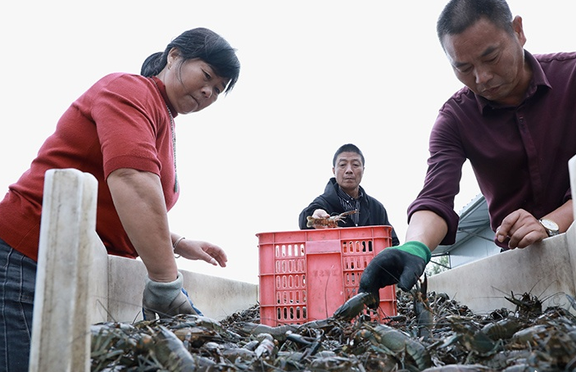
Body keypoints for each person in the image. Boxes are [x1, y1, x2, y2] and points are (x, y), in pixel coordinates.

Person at [0, 27, 240, 371]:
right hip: (25, 258)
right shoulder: (129, 90)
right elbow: (131, 179)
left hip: (72, 266)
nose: (208, 91)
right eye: (206, 76)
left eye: (218, 89)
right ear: (174, 56)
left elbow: (116, 202)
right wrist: (165, 283)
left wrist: (178, 242)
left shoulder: (164, 116)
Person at [358, 0, 576, 305]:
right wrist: (415, 248)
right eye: (463, 68)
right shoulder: (454, 119)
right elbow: (436, 197)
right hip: (521, 272)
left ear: (518, 31)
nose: (481, 78)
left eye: (491, 57)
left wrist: (547, 225)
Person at [299, 143, 400, 246]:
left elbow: (393, 242)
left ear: (363, 170)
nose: (349, 170)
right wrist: (315, 216)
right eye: (342, 165)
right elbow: (305, 219)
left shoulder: (376, 208)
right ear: (334, 170)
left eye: (355, 165)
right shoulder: (323, 202)